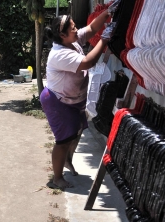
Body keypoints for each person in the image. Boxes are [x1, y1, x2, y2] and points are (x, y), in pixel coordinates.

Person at [41, 11, 112, 190]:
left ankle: (66, 160)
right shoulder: (59, 54)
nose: (76, 29)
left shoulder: (71, 40)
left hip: (72, 100)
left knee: (75, 133)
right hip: (58, 102)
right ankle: (57, 179)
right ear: (62, 34)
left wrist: (106, 15)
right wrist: (105, 39)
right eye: (72, 27)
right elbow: (88, 61)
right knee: (63, 140)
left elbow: (90, 29)